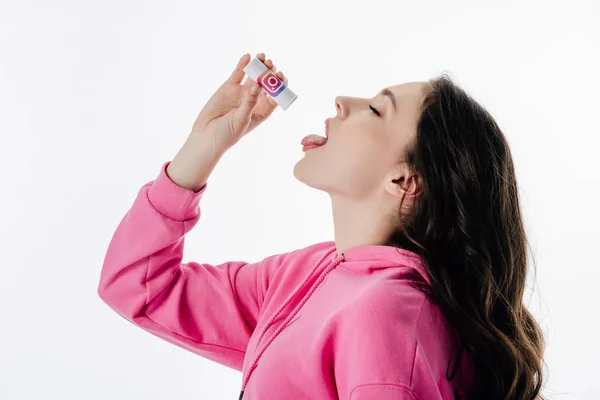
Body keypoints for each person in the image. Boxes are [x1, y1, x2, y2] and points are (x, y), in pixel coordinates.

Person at [98, 52, 545, 399]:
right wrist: (203, 145)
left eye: (375, 110)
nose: (343, 102)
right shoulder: (306, 275)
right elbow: (139, 287)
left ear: (404, 180)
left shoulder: (386, 314)